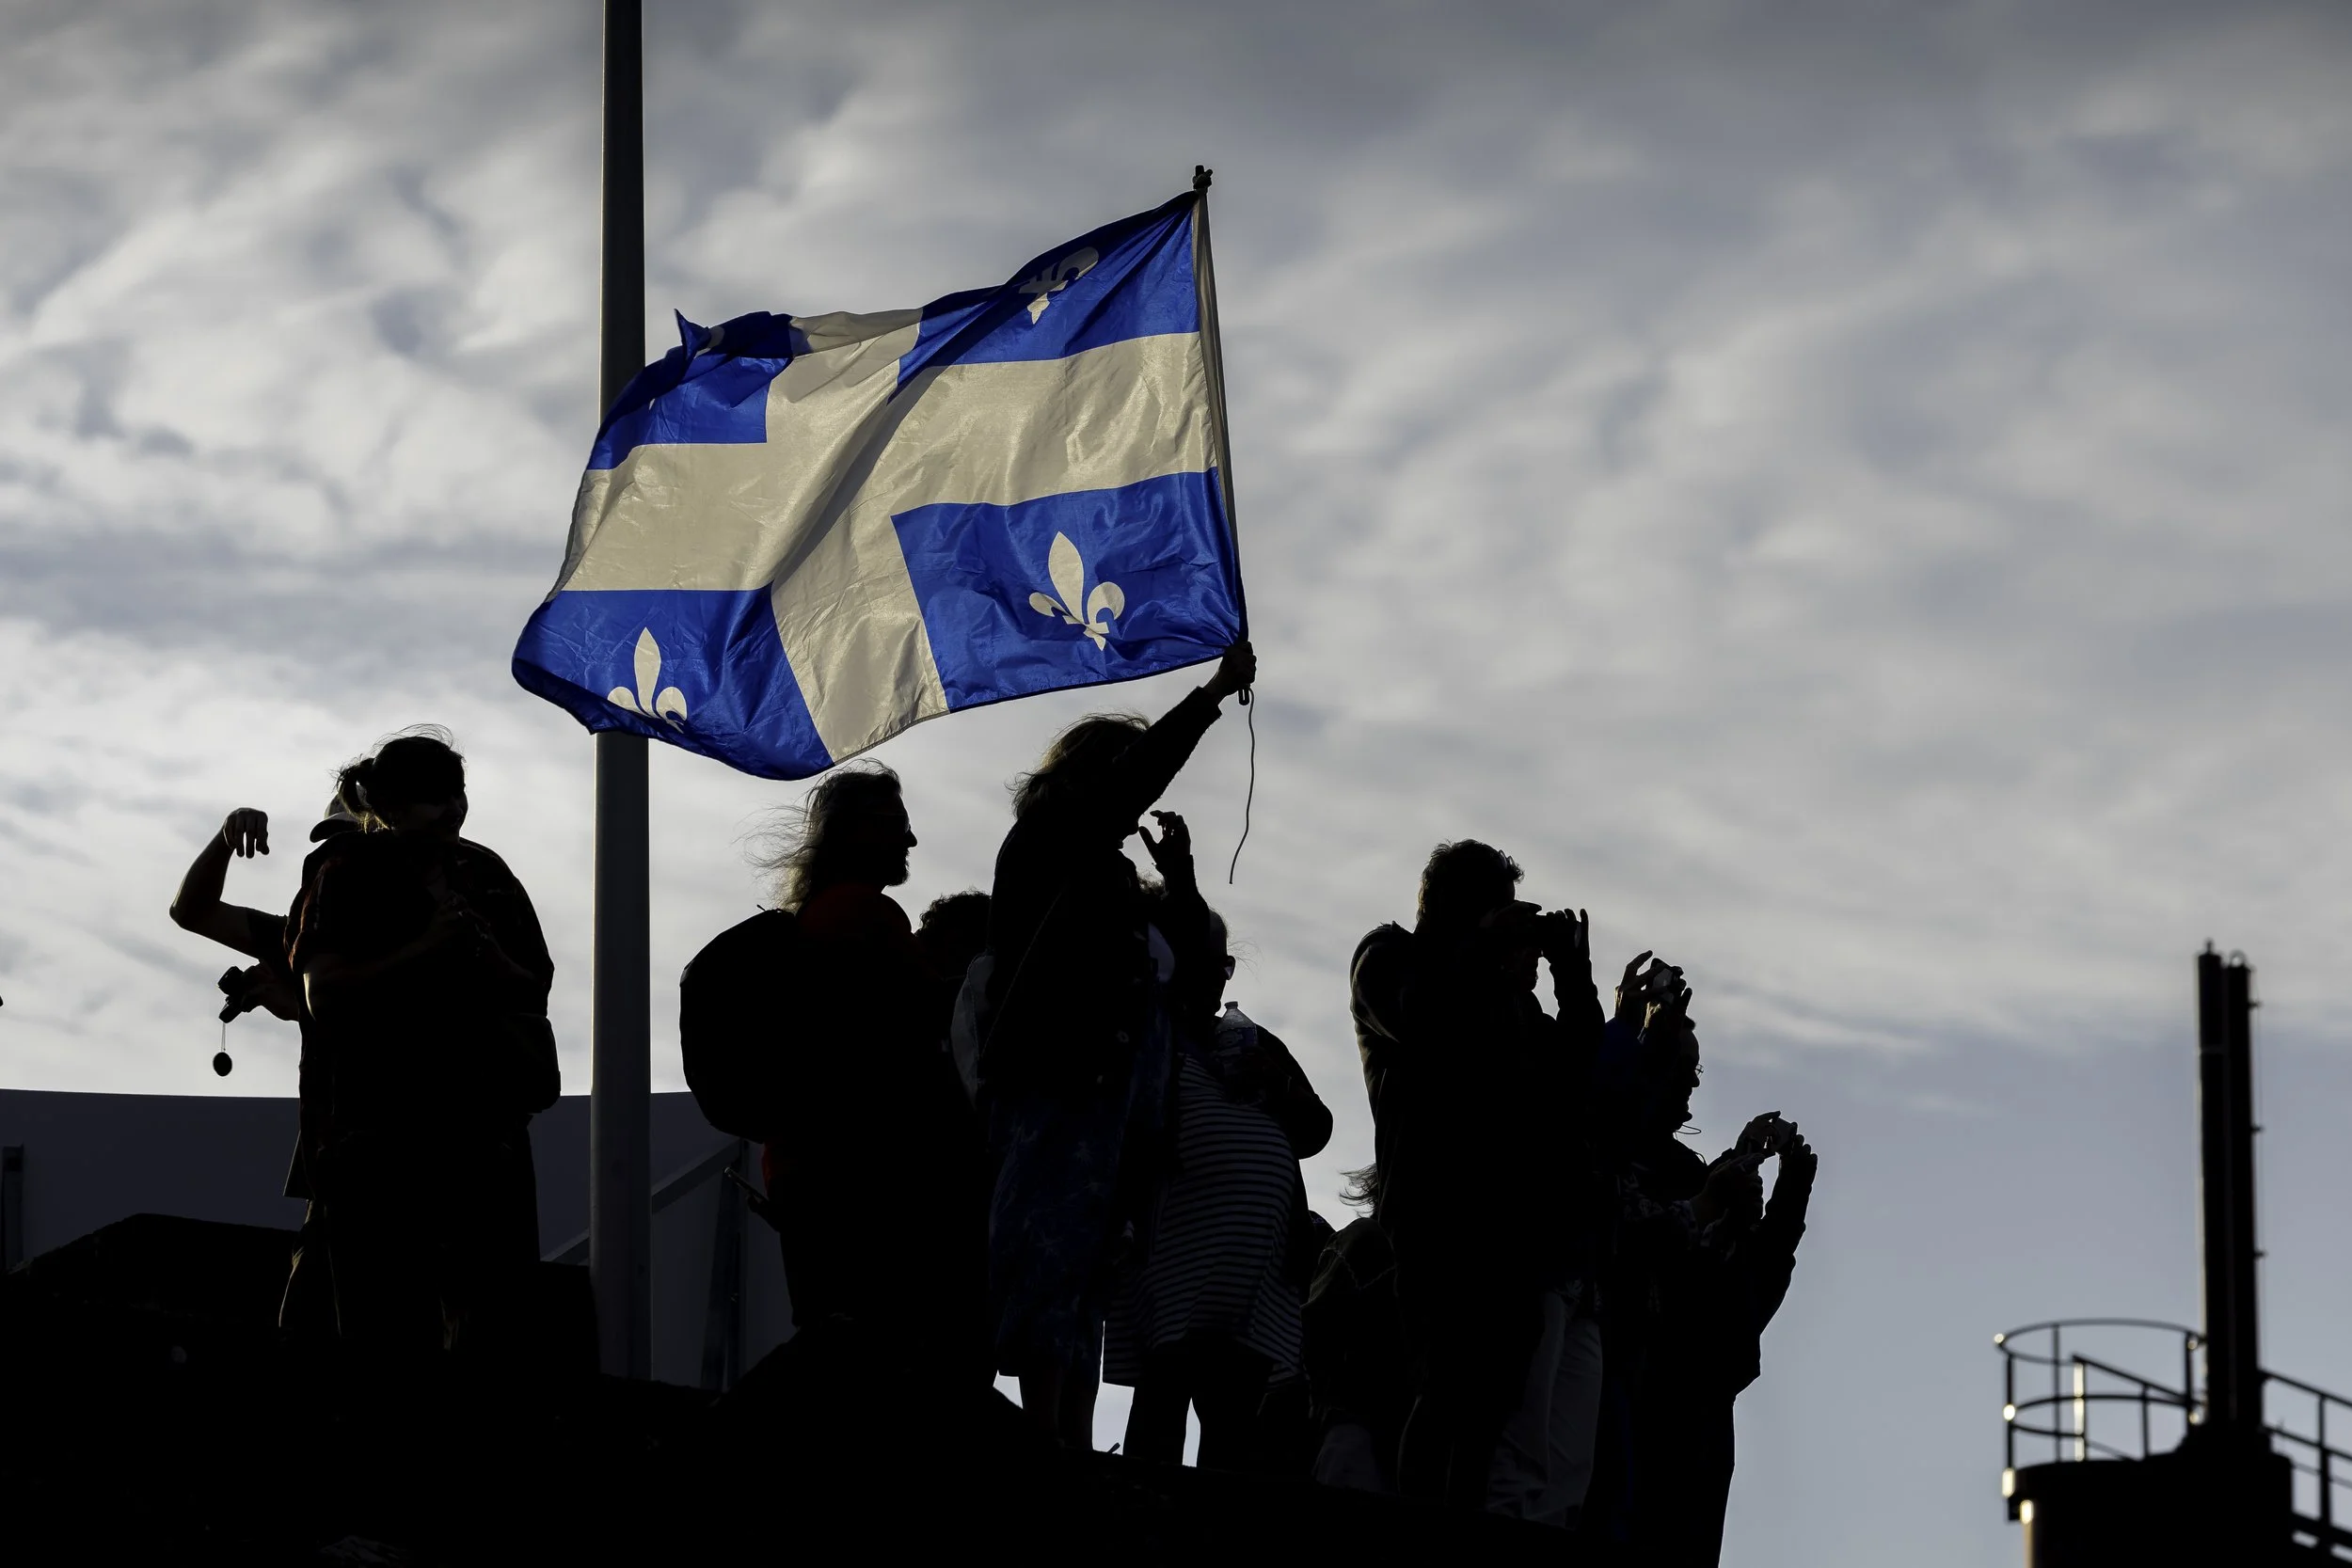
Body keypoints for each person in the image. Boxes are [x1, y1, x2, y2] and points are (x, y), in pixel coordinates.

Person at [977, 638, 1257, 1447]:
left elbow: (1197, 971)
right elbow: (1122, 792)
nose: (1137, 802)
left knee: (1089, 1272)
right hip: (1061, 1086)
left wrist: (1182, 877)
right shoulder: (1049, 839)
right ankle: (1048, 1433)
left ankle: (1067, 1429)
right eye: (1125, 773)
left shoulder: (1105, 872)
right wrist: (1210, 695)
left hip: (1114, 1109)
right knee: (1051, 1256)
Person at [1349, 840, 1612, 1522]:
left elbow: (1579, 1075)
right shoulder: (1388, 956)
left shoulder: (1503, 1000)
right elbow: (1421, 1018)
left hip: (1506, 1223)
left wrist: (1572, 973)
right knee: (1445, 1389)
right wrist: (1482, 951)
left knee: (1490, 1404)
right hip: (1433, 1208)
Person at [289, 730, 557, 1356]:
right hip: (379, 1135)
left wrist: (491, 961)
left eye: (457, 794)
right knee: (385, 1334)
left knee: (495, 1331)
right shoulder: (346, 872)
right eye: (435, 797)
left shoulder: (486, 873)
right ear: (389, 802)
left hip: (486, 1135)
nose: (453, 811)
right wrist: (423, 950)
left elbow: (535, 984)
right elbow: (321, 991)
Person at [1105, 812, 1331, 1471]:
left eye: (1225, 962)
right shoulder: (1147, 1033)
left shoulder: (1254, 1039)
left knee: (1235, 1411)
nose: (1219, 975)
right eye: (1207, 959)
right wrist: (1183, 877)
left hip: (1254, 1272)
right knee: (1166, 1390)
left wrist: (1281, 1090)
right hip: (1174, 1253)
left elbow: (1316, 1129)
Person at [751, 765, 989, 1383]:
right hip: (854, 1173)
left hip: (810, 1168)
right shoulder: (865, 916)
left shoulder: (820, 919)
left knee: (842, 1340)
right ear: (857, 832)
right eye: (897, 826)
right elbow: (910, 1037)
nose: (910, 842)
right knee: (875, 1347)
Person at [1616, 989, 1815, 1566]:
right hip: (1639, 1404)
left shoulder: (1685, 1172)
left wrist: (1786, 1194)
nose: (1694, 1085)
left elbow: (1743, 1304)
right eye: (1685, 1068)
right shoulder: (1610, 1167)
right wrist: (1724, 1189)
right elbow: (1654, 1244)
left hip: (1698, 1417)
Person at [169, 800, 360, 1334]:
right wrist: (225, 836)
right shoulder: (301, 940)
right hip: (340, 1175)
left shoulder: (447, 934)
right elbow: (193, 911)